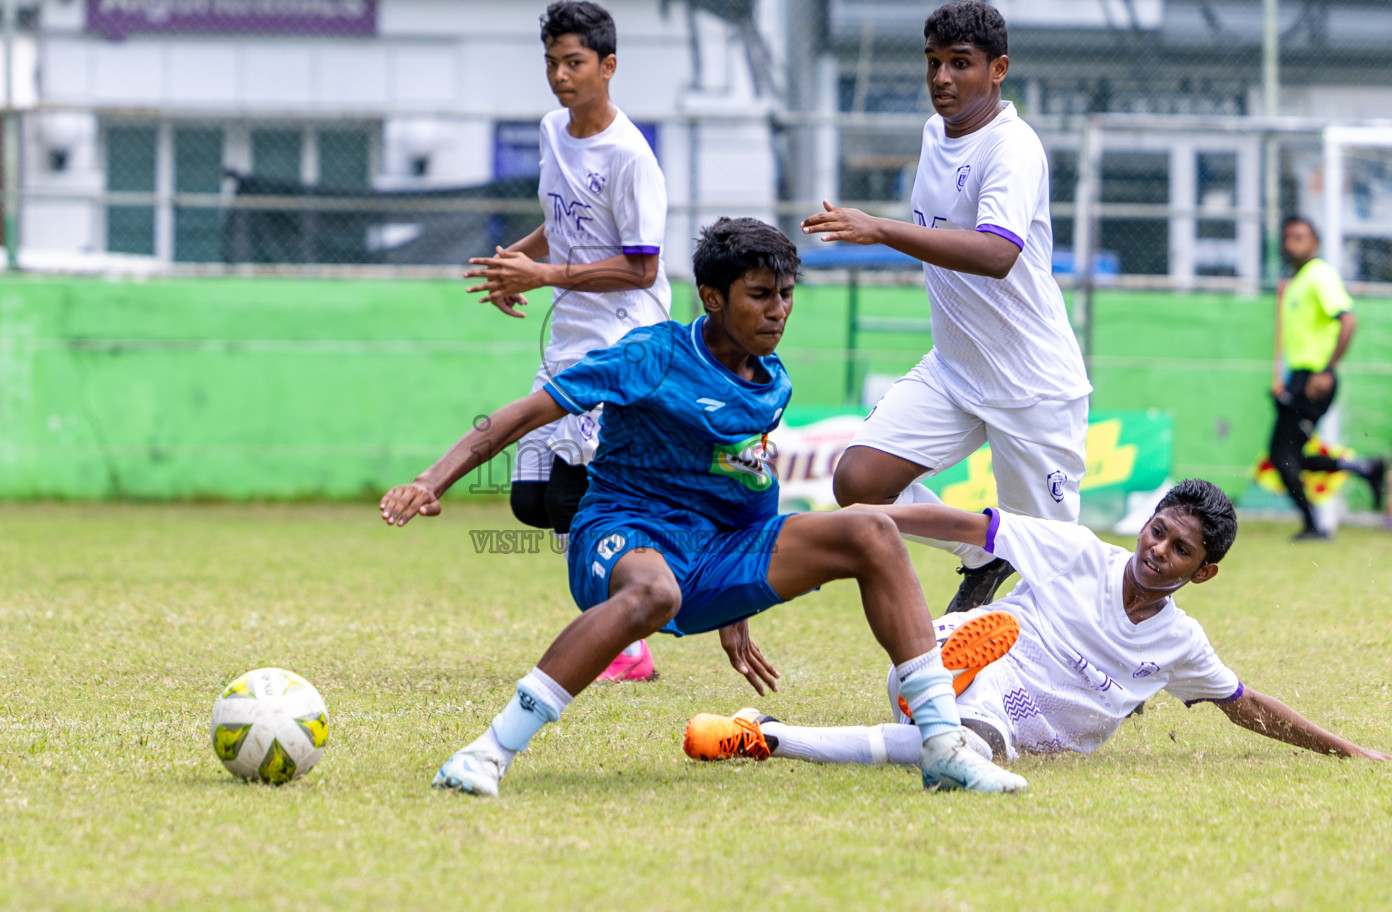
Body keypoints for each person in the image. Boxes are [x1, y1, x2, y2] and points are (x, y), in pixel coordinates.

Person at [382, 219, 1028, 797]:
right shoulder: (651, 355)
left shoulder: (769, 382)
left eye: (785, 294)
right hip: (624, 529)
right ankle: (486, 752)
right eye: (759, 295)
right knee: (653, 595)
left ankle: (944, 746)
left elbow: (747, 483)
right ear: (713, 299)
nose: (778, 311)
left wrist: (736, 604)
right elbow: (523, 414)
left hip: (716, 551)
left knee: (872, 533)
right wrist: (431, 480)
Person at [683, 479, 1389, 768]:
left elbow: (1246, 706)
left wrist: (1350, 753)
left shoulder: (1181, 644)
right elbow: (963, 524)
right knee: (985, 674)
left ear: (1202, 573)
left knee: (962, 750)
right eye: (1158, 530)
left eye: (1181, 550)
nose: (1158, 550)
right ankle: (944, 666)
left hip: (1028, 734)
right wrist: (860, 523)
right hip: (954, 665)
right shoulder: (1077, 550)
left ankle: (767, 734)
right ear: (1146, 523)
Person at [800, 0, 1091, 614]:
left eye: (960, 64)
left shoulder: (1012, 148)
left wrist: (880, 229)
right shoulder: (937, 132)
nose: (941, 79)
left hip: (1032, 384)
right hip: (955, 372)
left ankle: (1112, 667)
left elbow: (995, 253)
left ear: (998, 69)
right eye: (933, 63)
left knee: (1057, 564)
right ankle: (984, 552)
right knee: (859, 484)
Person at [465, 0, 673, 680]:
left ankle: (628, 634)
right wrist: (514, 266)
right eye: (552, 62)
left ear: (608, 66)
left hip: (620, 342)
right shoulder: (556, 130)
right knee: (531, 500)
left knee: (573, 497)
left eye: (574, 62)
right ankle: (638, 594)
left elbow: (642, 266)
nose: (560, 75)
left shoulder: (632, 158)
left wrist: (544, 272)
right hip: (569, 335)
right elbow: (561, 221)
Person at [1267, 215, 1384, 540]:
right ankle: (1363, 469)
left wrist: (1327, 369)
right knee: (1286, 455)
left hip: (1314, 380)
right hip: (1298, 378)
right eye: (1288, 237)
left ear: (1314, 242)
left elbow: (1348, 321)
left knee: (1282, 455)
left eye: (1300, 237)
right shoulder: (1298, 280)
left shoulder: (1320, 275)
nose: (1292, 243)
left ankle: (1314, 524)